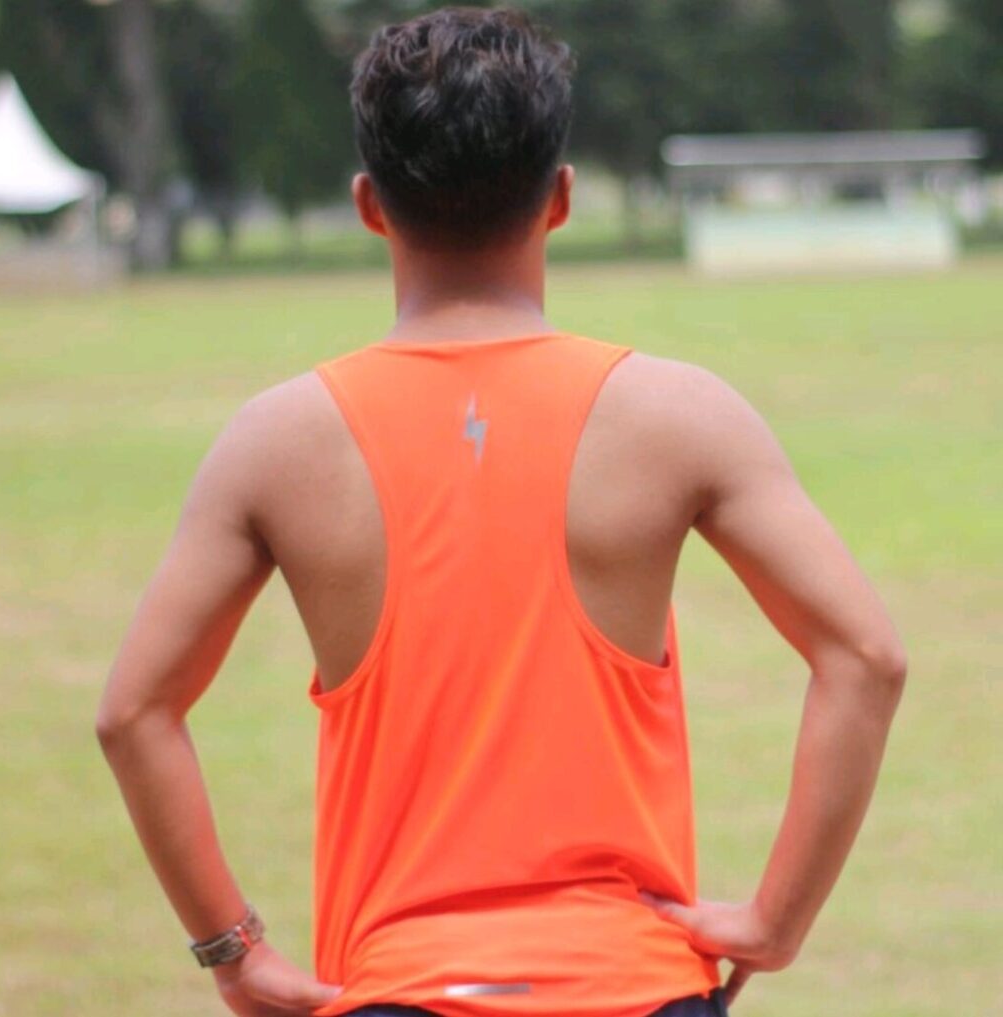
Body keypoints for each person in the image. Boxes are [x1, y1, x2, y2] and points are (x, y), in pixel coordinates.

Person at [94, 6, 907, 1017]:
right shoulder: (678, 416)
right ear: (560, 197)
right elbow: (864, 656)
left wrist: (233, 951)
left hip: (398, 989)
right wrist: (778, 919)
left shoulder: (279, 441)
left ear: (368, 205)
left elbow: (134, 712)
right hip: (634, 987)